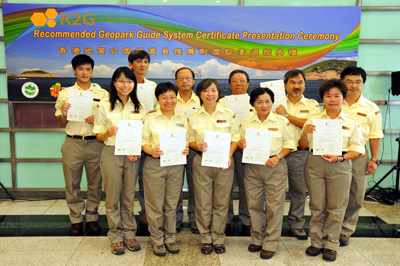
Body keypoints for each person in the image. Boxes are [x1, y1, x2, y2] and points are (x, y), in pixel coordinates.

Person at [299, 79, 364, 262]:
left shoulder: (351, 122)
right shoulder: (314, 119)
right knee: (317, 206)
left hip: (340, 164)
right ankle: (316, 241)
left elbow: (358, 149)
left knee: (336, 207)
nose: (333, 99)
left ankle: (331, 244)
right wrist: (305, 133)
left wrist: (341, 158)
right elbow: (303, 145)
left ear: (343, 98)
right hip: (315, 163)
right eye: (328, 96)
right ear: (323, 99)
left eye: (337, 96)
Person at [93, 67, 145, 255]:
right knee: (113, 196)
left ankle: (130, 233)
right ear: (114, 83)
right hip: (111, 152)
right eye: (121, 81)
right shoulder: (104, 105)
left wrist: (137, 149)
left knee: (129, 195)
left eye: (129, 81)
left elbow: (143, 133)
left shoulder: (139, 106)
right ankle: (115, 235)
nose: (125, 85)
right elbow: (98, 135)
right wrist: (107, 132)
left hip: (132, 155)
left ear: (134, 84)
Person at [238, 87, 295, 260]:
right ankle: (257, 237)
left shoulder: (281, 122)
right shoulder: (246, 123)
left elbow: (290, 143)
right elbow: (241, 146)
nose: (264, 105)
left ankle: (270, 243)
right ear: (253, 104)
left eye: (267, 101)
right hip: (253, 167)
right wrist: (241, 145)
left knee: (274, 206)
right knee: (254, 205)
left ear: (272, 102)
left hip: (274, 166)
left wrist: (277, 157)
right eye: (259, 102)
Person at [55, 54, 109, 236]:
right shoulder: (65, 94)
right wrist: (63, 113)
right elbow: (59, 123)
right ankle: (76, 219)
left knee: (95, 183)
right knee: (72, 183)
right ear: (74, 70)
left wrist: (99, 118)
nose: (84, 72)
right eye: (80, 69)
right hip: (73, 143)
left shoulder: (103, 95)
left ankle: (92, 217)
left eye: (88, 69)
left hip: (96, 143)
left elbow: (109, 121)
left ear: (92, 70)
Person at [188, 78, 239, 254]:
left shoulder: (228, 113)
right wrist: (196, 146)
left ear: (218, 93)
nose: (210, 94)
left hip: (224, 163)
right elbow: (188, 139)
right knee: (202, 202)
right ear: (200, 94)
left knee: (222, 202)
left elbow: (235, 137)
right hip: (201, 162)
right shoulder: (193, 117)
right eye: (206, 91)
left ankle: (218, 237)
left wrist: (229, 155)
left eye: (213, 90)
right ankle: (205, 238)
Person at [142, 82, 189, 256]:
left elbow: (188, 140)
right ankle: (156, 239)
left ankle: (170, 237)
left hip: (176, 165)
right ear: (157, 99)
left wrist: (186, 149)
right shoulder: (150, 119)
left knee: (172, 204)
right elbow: (143, 141)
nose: (168, 101)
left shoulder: (182, 120)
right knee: (155, 205)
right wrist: (150, 150)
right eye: (164, 97)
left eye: (171, 97)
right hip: (155, 165)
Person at [339, 67, 383, 246]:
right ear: (342, 82)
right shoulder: (333, 102)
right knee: (334, 194)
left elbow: (375, 135)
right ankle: (331, 228)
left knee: (356, 194)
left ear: (363, 84)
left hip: (359, 155)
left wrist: (374, 158)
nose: (353, 86)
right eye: (349, 81)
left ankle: (346, 230)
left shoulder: (372, 108)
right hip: (335, 154)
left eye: (358, 82)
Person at [276, 69, 320, 240]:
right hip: (277, 153)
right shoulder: (276, 103)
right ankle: (272, 224)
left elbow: (310, 124)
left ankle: (296, 224)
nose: (296, 86)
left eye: (300, 82)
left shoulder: (312, 104)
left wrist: (286, 115)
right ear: (285, 84)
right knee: (273, 192)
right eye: (292, 82)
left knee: (299, 191)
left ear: (304, 84)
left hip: (300, 152)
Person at [218, 69, 253, 234]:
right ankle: (225, 218)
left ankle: (247, 218)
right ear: (229, 84)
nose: (238, 83)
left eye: (242, 80)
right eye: (234, 80)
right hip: (226, 150)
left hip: (250, 150)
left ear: (248, 83)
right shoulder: (221, 102)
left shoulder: (257, 101)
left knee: (247, 187)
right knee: (225, 188)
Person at [128, 50, 157, 225]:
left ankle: (146, 212)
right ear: (131, 64)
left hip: (147, 138)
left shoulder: (152, 87)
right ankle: (126, 215)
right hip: (129, 137)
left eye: (145, 62)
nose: (142, 65)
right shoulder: (124, 85)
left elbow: (162, 108)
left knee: (146, 179)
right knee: (129, 179)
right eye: (139, 62)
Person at [174, 67, 201, 234]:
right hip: (173, 149)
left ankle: (194, 218)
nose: (184, 81)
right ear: (176, 81)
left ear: (193, 81)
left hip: (194, 148)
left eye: (188, 78)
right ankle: (175, 218)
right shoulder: (168, 98)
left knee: (195, 185)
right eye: (181, 78)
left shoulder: (201, 100)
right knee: (174, 186)